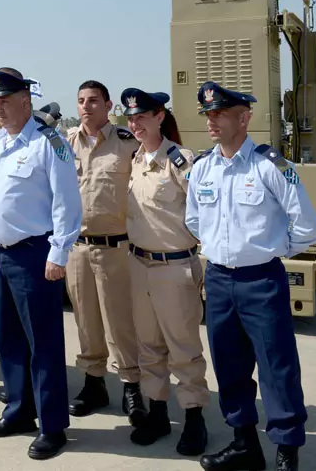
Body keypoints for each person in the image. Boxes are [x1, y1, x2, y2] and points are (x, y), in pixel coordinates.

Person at [186, 81, 316, 471]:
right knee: (228, 367)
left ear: (243, 118)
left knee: (277, 368)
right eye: (208, 115)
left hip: (261, 281)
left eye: (219, 114)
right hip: (218, 281)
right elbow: (194, 220)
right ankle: (244, 444)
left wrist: (272, 250)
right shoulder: (202, 169)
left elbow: (307, 227)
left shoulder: (270, 166)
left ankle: (286, 451)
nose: (211, 121)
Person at [0, 68, 82, 461]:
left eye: (5, 101)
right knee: (10, 340)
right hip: (2, 255)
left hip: (35, 254)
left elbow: (66, 201)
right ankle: (19, 410)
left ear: (25, 101)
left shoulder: (49, 143)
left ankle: (51, 426)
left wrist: (59, 252)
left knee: (44, 343)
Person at [120, 88, 208, 455]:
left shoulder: (180, 160)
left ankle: (194, 419)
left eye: (142, 116)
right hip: (139, 265)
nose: (135, 124)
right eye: (131, 118)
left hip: (174, 269)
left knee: (183, 350)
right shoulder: (136, 159)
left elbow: (204, 212)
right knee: (149, 348)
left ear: (160, 117)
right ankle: (157, 412)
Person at [65, 80, 145, 425]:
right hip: (78, 248)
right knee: (85, 321)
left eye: (93, 100)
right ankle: (94, 383)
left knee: (121, 322)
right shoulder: (65, 144)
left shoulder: (127, 144)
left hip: (116, 247)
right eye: (81, 101)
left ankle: (131, 385)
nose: (86, 106)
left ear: (109, 105)